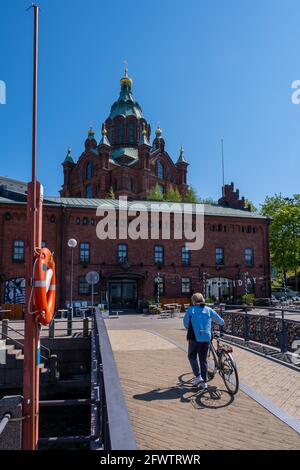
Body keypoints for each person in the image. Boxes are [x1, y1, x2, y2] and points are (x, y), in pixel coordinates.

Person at [183, 292, 224, 388]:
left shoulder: (191, 310)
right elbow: (220, 321)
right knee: (203, 359)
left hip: (194, 338)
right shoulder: (209, 309)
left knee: (192, 356)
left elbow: (186, 324)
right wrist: (222, 324)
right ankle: (204, 382)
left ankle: (198, 376)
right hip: (206, 337)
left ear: (193, 300)